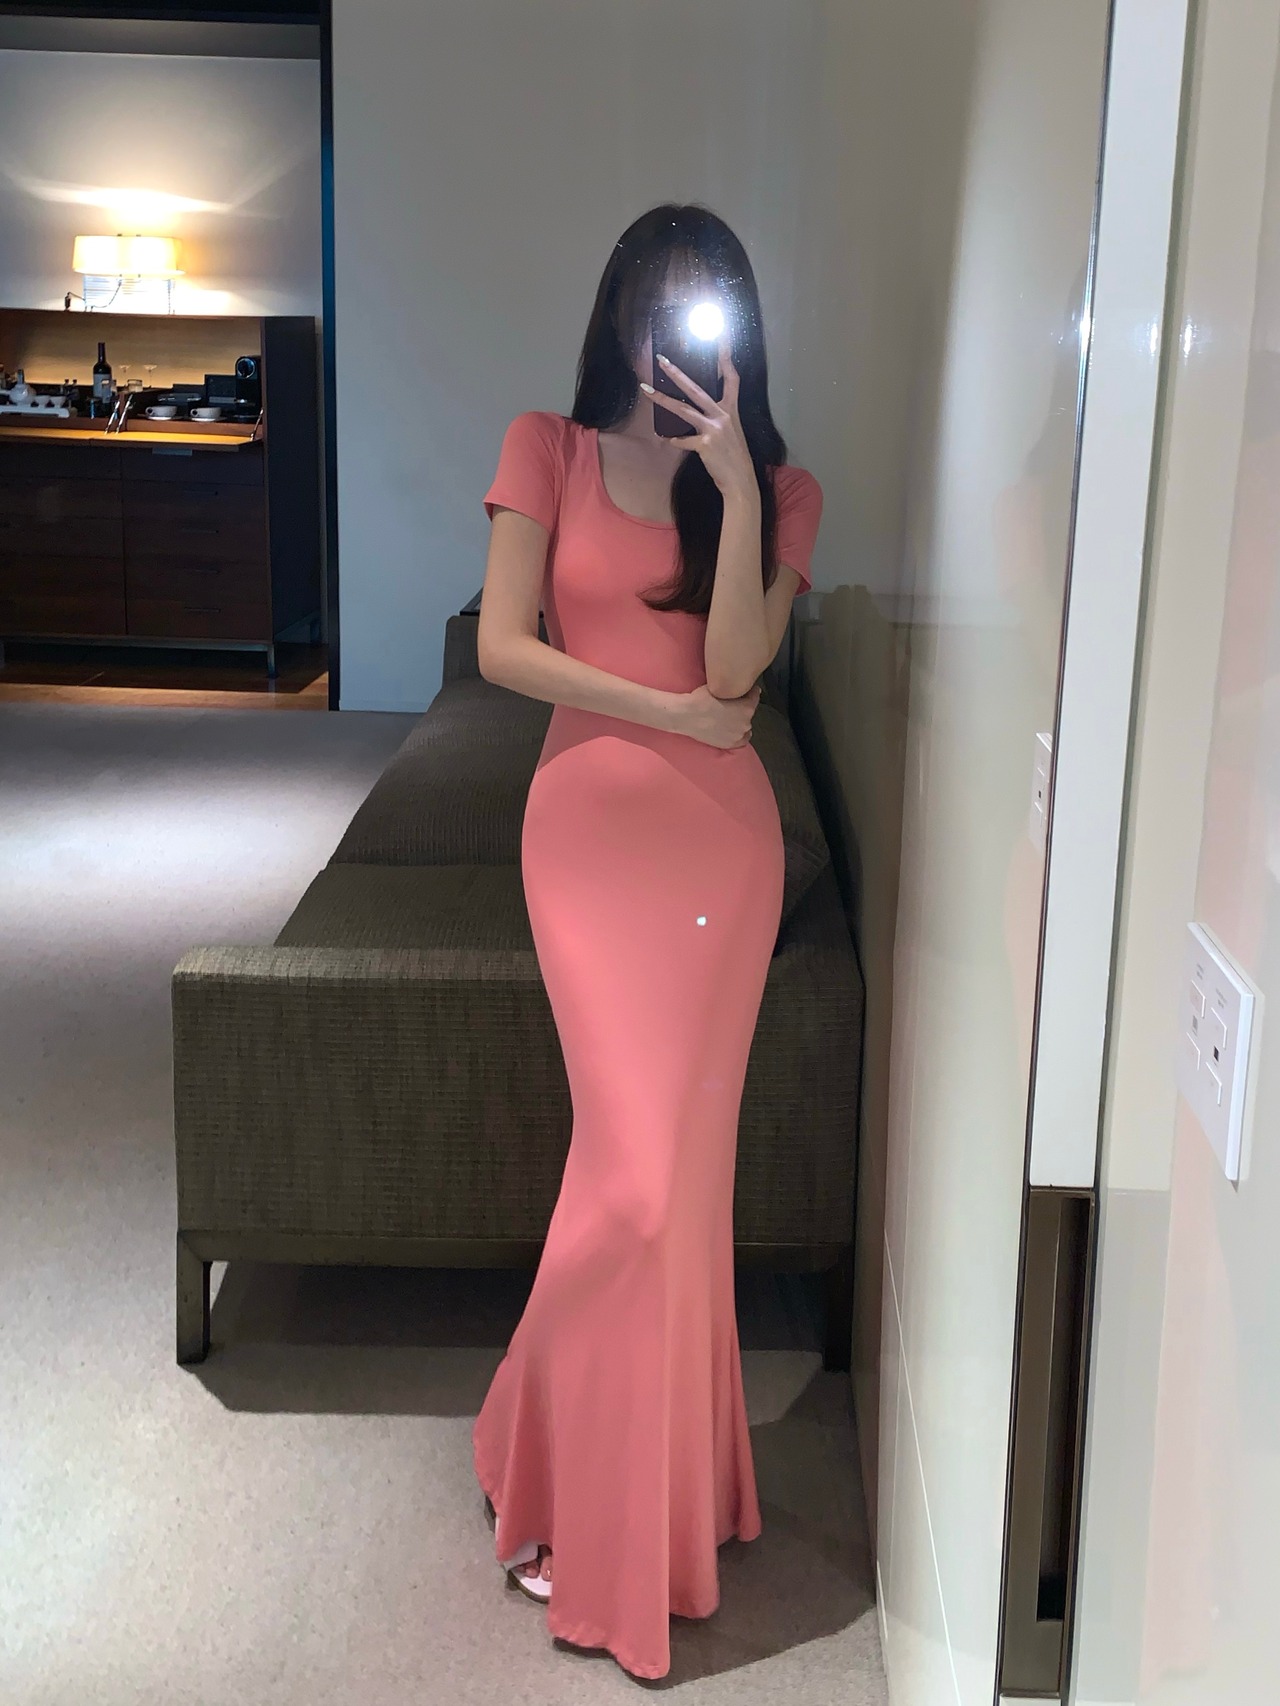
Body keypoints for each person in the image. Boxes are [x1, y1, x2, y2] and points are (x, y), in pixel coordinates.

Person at [471, 202, 823, 1681]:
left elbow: (739, 666)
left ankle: (614, 1472)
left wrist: (733, 484)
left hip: (720, 866)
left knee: (676, 1192)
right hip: (586, 846)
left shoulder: (781, 490)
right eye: (654, 300)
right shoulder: (545, 447)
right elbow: (503, 647)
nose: (671, 329)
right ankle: (552, 1451)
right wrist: (658, 708)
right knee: (631, 1178)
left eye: (704, 304)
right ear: (616, 307)